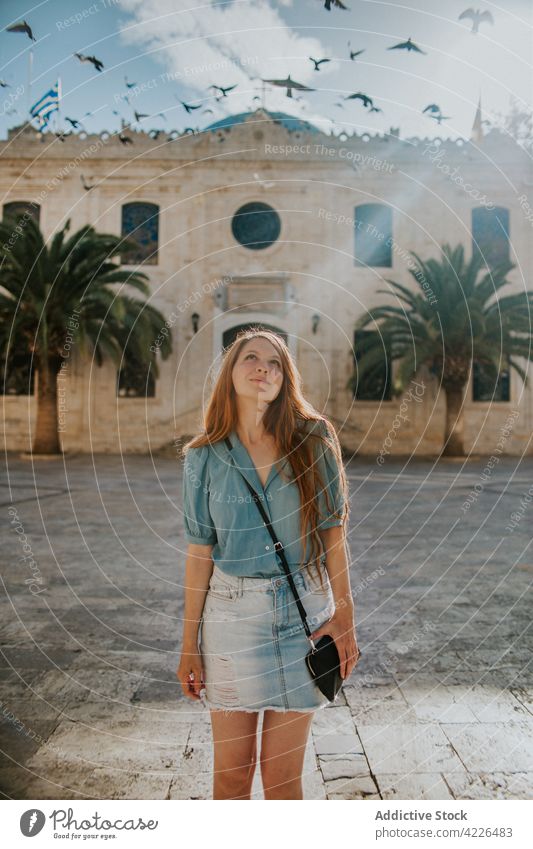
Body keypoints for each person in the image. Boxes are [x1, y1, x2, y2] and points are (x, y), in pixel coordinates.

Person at [177, 328, 360, 800]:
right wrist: (188, 644)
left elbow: (333, 537)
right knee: (232, 779)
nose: (263, 367)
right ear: (229, 375)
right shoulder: (204, 456)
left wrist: (345, 619)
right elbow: (199, 554)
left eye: (275, 362)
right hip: (231, 619)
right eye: (250, 358)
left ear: (286, 378)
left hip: (304, 618)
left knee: (282, 782)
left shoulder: (314, 440)